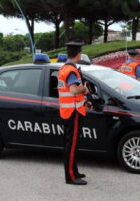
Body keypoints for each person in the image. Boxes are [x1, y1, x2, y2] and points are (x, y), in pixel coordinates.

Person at [58, 39, 89, 185]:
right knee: (71, 146)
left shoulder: (64, 68)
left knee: (71, 144)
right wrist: (83, 89)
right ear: (78, 54)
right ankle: (70, 177)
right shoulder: (71, 71)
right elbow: (74, 90)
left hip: (67, 111)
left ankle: (74, 171)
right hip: (73, 112)